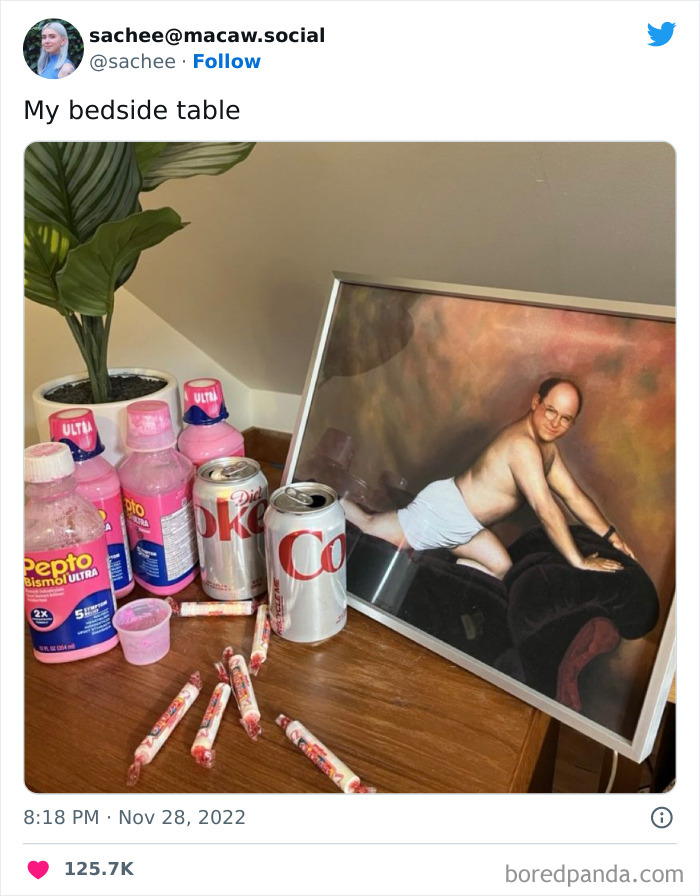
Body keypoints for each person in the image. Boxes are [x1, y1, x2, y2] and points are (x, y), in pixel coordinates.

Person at [342, 377, 635, 579]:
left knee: (501, 568)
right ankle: (331, 496)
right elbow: (545, 508)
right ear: (536, 402)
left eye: (565, 418)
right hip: (444, 513)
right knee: (368, 527)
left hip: (468, 527)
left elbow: (574, 497)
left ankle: (437, 571)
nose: (555, 423)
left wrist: (613, 538)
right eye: (550, 411)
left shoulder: (548, 450)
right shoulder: (521, 446)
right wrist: (579, 561)